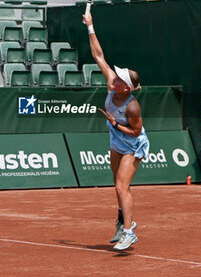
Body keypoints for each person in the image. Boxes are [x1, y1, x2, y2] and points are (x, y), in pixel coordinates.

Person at [83, 13, 149, 251]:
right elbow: (98, 55)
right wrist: (90, 26)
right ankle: (123, 222)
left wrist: (114, 123)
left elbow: (136, 132)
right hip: (117, 140)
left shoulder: (132, 106)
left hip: (133, 143)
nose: (114, 77)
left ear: (127, 87)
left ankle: (129, 233)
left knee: (122, 186)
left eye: (120, 78)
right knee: (118, 184)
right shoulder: (112, 82)